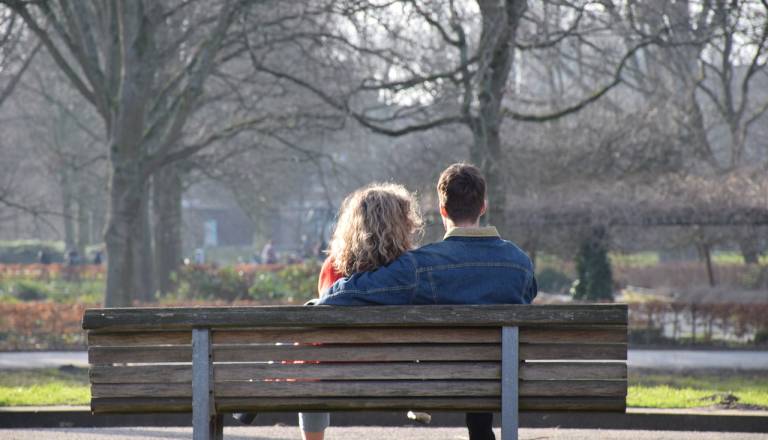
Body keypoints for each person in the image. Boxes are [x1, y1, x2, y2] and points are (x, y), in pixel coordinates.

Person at [317, 163, 537, 440]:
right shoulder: (520, 263)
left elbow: (343, 295)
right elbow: (528, 295)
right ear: (483, 207)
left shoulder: (420, 265)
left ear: (443, 210)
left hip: (445, 378)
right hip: (508, 380)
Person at [236, 183, 423, 440]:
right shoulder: (409, 270)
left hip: (332, 369)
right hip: (394, 369)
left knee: (306, 349)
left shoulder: (334, 267)